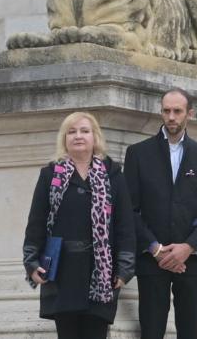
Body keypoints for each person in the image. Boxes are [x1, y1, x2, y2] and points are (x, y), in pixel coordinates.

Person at [23, 111, 136, 339]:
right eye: (71, 132)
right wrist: (32, 263)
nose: (78, 136)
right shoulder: (50, 175)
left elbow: (125, 225)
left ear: (95, 137)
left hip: (101, 274)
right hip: (62, 273)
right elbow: (36, 222)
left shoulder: (113, 176)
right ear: (64, 138)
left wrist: (124, 269)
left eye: (85, 131)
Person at [124, 88, 197, 339]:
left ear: (189, 114)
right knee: (151, 331)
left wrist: (188, 247)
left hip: (192, 261)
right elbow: (129, 209)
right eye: (166, 111)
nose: (171, 117)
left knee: (189, 333)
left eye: (177, 111)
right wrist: (156, 249)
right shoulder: (138, 154)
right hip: (151, 259)